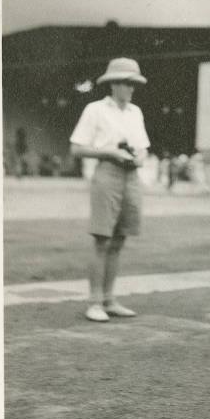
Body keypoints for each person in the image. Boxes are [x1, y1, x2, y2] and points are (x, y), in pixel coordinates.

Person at [69, 57, 150, 322]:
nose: (131, 89)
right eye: (127, 83)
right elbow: (77, 148)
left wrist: (139, 157)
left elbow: (142, 147)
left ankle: (109, 299)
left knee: (119, 239)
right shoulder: (95, 109)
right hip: (107, 172)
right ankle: (94, 302)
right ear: (113, 84)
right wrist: (109, 152)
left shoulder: (135, 112)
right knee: (102, 239)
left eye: (133, 84)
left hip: (131, 175)